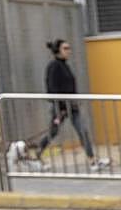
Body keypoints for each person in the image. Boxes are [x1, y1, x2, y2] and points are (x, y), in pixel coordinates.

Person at [34, 39, 109, 171]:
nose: (69, 51)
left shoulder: (64, 65)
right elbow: (52, 88)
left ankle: (92, 160)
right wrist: (61, 107)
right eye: (65, 48)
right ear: (58, 51)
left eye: (69, 48)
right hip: (61, 107)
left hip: (72, 107)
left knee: (83, 131)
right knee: (52, 132)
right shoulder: (54, 66)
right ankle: (37, 154)